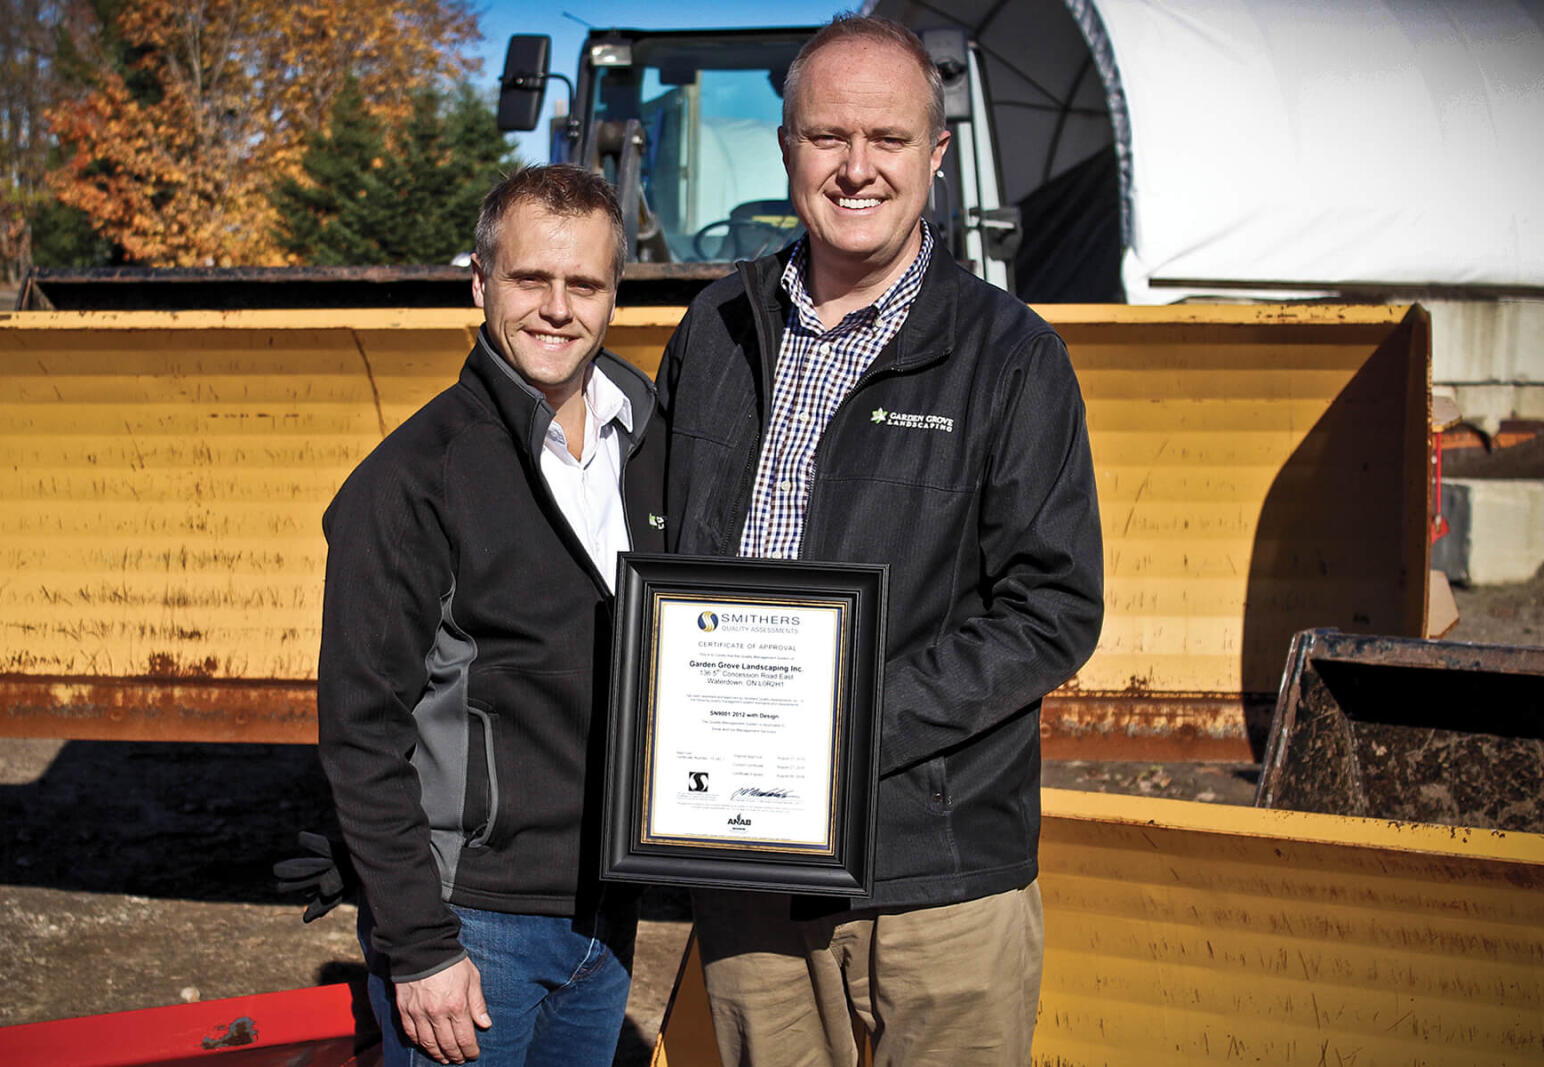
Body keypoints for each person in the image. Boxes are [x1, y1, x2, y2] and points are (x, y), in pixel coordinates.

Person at [656, 15, 1104, 1066]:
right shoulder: (715, 331)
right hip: (748, 862)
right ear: (785, 148)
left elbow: (1052, 608)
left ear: (935, 157)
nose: (855, 168)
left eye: (888, 140)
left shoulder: (1011, 357)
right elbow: (660, 556)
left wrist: (841, 718)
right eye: (827, 137)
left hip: (933, 871)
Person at [317, 164, 665, 1067]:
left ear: (614, 295)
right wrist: (419, 940)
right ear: (480, 282)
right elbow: (361, 729)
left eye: (584, 283)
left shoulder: (657, 444)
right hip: (477, 925)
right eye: (529, 279)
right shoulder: (411, 482)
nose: (557, 307)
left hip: (605, 914)